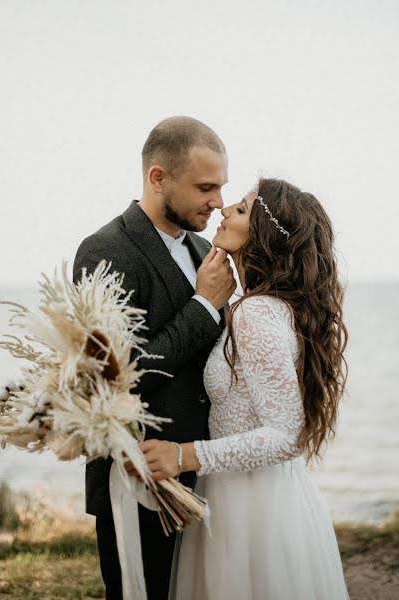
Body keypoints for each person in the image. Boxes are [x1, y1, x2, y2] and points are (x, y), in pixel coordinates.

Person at [139, 178, 350, 599]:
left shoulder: (255, 314)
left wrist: (183, 455)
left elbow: (287, 435)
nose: (222, 210)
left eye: (239, 209)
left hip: (252, 508)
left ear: (264, 236)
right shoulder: (265, 307)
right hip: (262, 494)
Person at [72, 116, 236, 600]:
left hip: (206, 474)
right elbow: (118, 377)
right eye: (205, 187)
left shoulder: (206, 249)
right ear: (158, 177)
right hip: (140, 484)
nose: (219, 202)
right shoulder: (105, 250)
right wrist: (204, 306)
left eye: (221, 187)